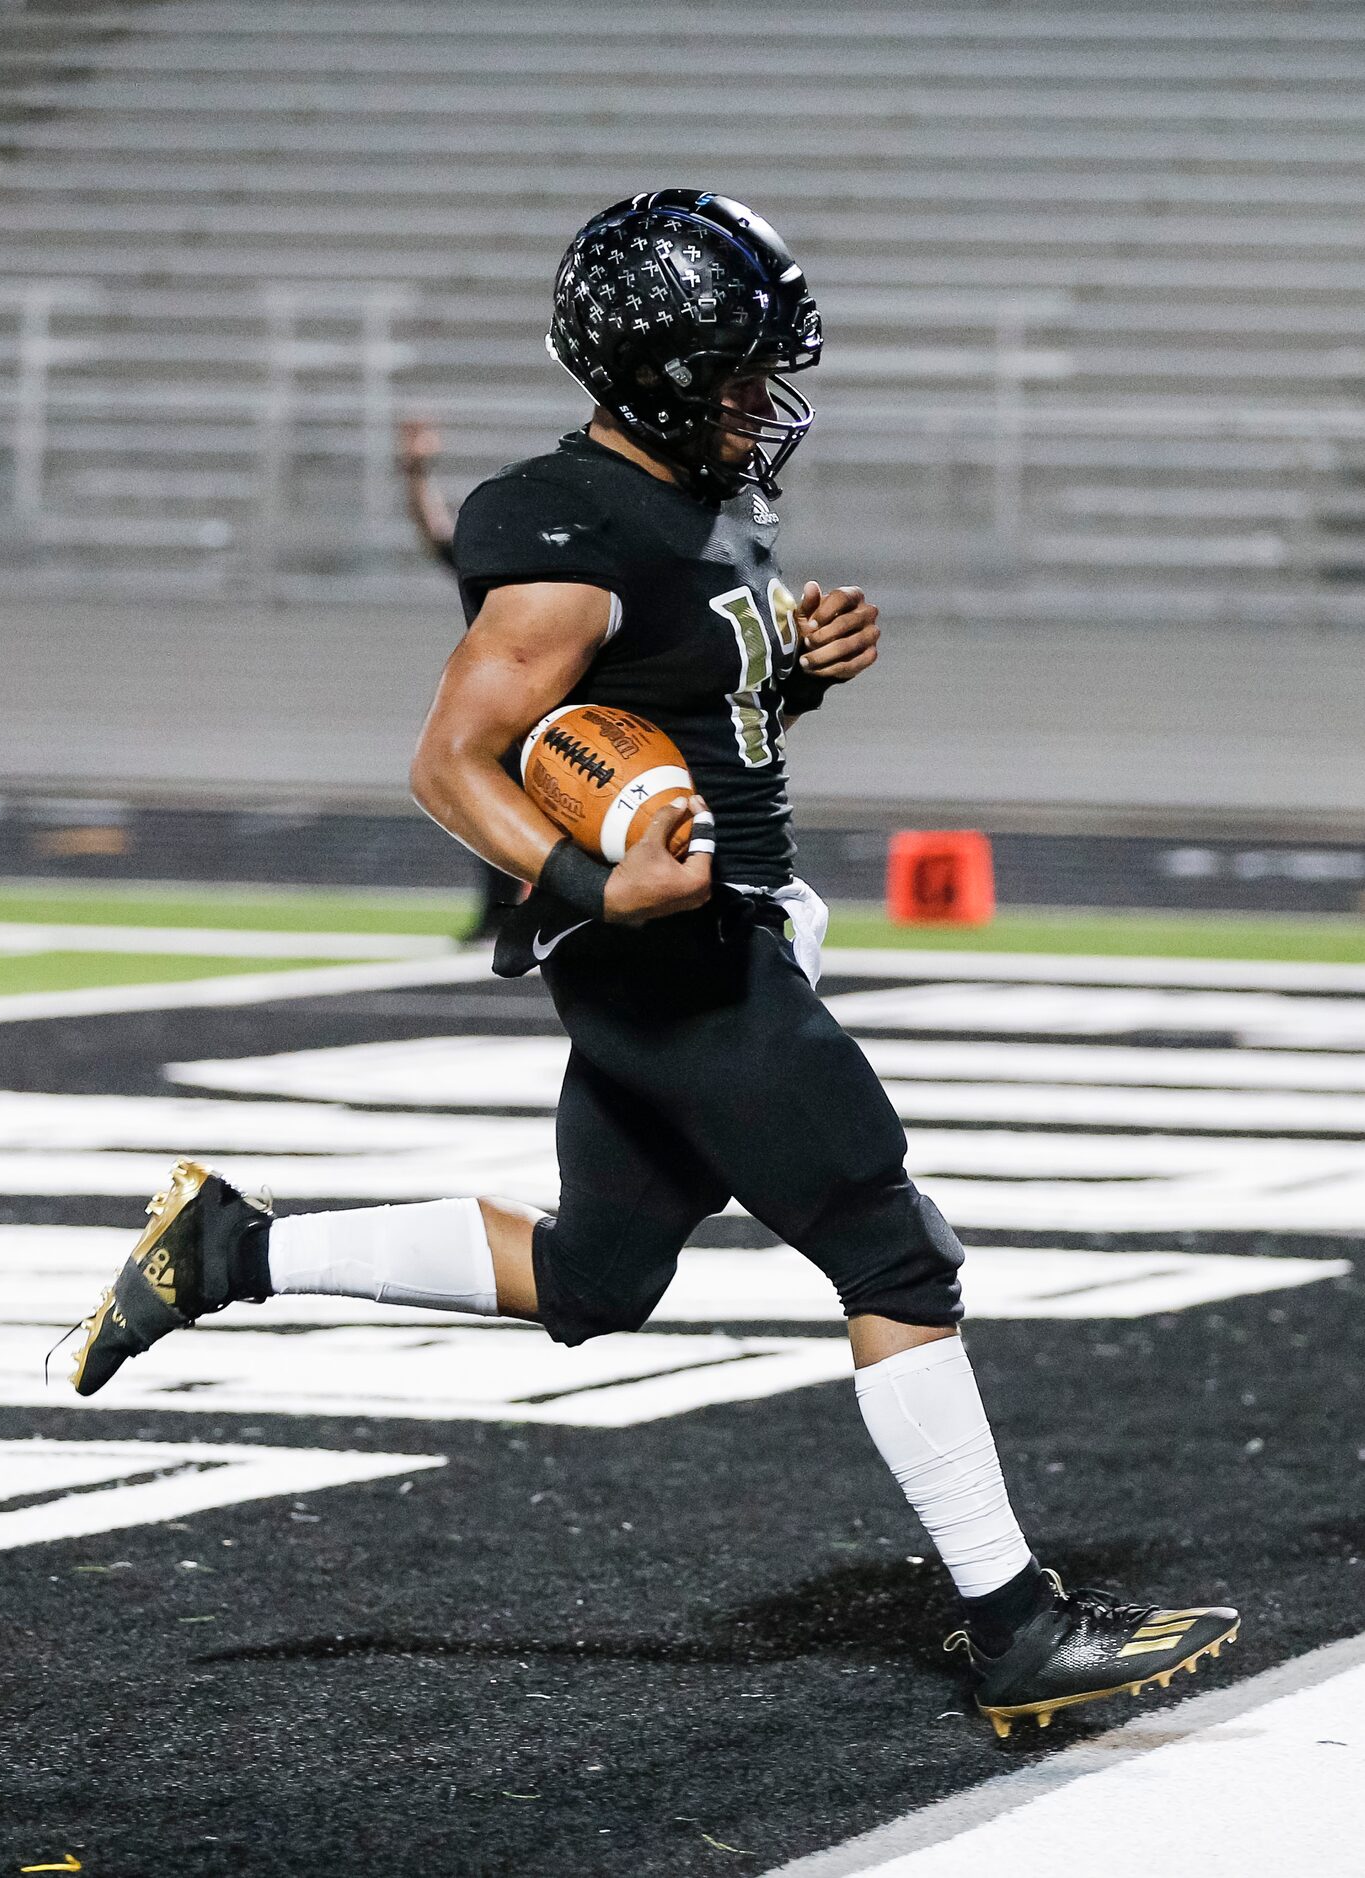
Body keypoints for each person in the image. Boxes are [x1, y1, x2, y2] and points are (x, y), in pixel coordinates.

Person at [68, 190, 1238, 1737]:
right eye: (742, 369)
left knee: (592, 1278)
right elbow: (448, 762)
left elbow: (692, 722)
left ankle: (225, 1249)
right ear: (659, 375)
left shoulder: (700, 495)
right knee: (899, 1261)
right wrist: (592, 886)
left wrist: (794, 677)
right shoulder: (573, 533)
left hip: (698, 937)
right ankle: (1017, 1629)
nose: (768, 399)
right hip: (683, 961)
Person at [397, 417, 526, 943]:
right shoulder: (501, 565)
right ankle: (500, 910)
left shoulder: (574, 569)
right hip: (504, 699)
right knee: (481, 799)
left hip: (560, 702)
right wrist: (415, 471)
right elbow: (437, 536)